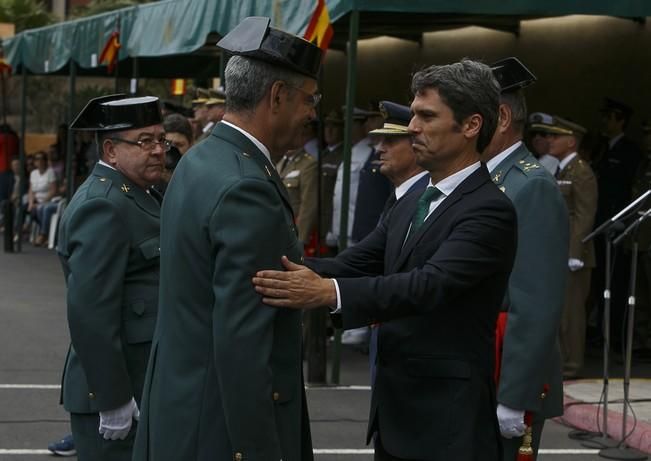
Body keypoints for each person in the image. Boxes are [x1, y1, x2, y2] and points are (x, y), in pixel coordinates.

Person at [253, 58, 517, 461]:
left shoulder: (488, 209)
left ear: (470, 126)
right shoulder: (415, 196)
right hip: (397, 414)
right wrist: (273, 267)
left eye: (426, 116)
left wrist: (327, 292)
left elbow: (430, 284)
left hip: (446, 421)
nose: (412, 127)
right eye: (413, 114)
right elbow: (361, 260)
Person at [133, 17, 321, 461]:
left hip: (182, 408)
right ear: (277, 96)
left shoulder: (202, 160)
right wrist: (258, 450)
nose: (313, 113)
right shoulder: (246, 186)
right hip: (221, 427)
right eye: (309, 99)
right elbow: (243, 340)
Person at [56, 94, 166, 461]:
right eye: (144, 141)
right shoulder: (103, 205)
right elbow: (91, 313)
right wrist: (113, 397)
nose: (157, 150)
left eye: (160, 140)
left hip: (142, 379)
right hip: (118, 391)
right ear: (110, 149)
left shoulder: (139, 194)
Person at [483, 57, 569, 460]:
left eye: (469, 112)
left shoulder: (530, 185)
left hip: (506, 370)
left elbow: (535, 301)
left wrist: (515, 393)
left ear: (500, 117)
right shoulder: (488, 177)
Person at [367, 99, 428, 383]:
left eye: (391, 141)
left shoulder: (422, 200)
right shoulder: (400, 195)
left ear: (416, 146)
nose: (380, 148)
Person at [536, 116, 597, 378]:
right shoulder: (563, 170)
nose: (549, 141)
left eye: (555, 137)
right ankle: (562, 363)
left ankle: (572, 365)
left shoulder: (581, 171)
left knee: (571, 314)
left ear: (571, 142)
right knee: (560, 311)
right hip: (559, 250)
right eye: (548, 136)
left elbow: (584, 215)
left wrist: (574, 253)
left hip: (574, 254)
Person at [277, 126, 319, 246]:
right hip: (280, 228)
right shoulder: (282, 162)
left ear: (302, 138)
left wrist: (300, 238)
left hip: (294, 228)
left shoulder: (309, 164)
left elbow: (309, 204)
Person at [27, 151, 59, 246]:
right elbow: (31, 191)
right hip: (36, 200)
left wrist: (42, 202)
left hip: (49, 200)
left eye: (41, 159)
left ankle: (43, 234)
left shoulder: (50, 172)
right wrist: (31, 203)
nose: (39, 161)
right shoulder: (33, 173)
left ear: (45, 161)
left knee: (43, 208)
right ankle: (21, 228)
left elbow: (53, 191)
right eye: (37, 159)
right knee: (26, 205)